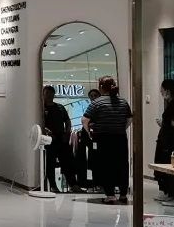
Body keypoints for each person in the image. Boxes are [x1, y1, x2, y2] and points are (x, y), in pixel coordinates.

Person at [83, 76, 133, 205]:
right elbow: (129, 119)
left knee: (105, 166)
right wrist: (121, 128)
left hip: (103, 138)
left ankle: (110, 195)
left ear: (101, 87)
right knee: (122, 165)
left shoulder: (96, 103)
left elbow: (85, 120)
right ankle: (123, 194)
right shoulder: (123, 102)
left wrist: (89, 132)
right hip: (120, 138)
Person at [42, 85, 74, 193]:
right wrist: (46, 131)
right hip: (48, 140)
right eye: (47, 93)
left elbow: (67, 121)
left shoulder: (60, 107)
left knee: (67, 161)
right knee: (50, 163)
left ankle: (73, 184)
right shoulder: (41, 108)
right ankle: (53, 185)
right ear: (43, 94)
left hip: (62, 138)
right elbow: (38, 122)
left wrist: (67, 133)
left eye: (51, 93)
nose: (49, 96)